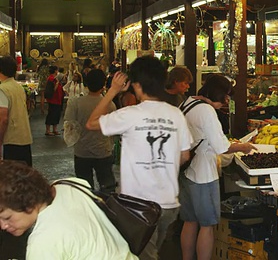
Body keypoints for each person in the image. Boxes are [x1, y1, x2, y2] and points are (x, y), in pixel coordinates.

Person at [86, 55, 193, 260]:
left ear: (136, 84)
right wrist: (162, 165)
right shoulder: (176, 114)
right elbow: (185, 155)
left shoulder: (130, 114)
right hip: (169, 204)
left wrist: (113, 91)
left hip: (138, 207)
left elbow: (92, 123)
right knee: (151, 253)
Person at [179, 75, 256, 260]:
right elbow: (221, 147)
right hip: (204, 174)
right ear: (218, 93)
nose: (227, 101)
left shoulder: (188, 103)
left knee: (189, 221)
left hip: (186, 171)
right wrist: (243, 146)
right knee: (207, 225)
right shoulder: (206, 111)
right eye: (226, 96)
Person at [0, 160, 136, 259]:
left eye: (7, 217)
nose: (3, 225)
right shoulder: (69, 185)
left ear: (28, 202)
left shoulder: (43, 242)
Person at [65, 69, 117, 192]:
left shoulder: (75, 103)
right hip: (103, 150)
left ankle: (87, 209)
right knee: (107, 187)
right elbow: (113, 129)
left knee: (85, 188)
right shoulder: (110, 105)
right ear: (103, 85)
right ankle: (107, 209)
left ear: (86, 84)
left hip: (82, 151)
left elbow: (69, 125)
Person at [0, 56, 34, 165]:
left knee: (12, 176)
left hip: (11, 139)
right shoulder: (18, 87)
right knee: (24, 174)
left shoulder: (3, 89)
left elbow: (3, 119)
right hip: (24, 136)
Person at [45, 65, 64, 136]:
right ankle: (48, 130)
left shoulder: (54, 78)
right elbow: (53, 89)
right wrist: (57, 83)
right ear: (55, 71)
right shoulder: (51, 79)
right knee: (51, 114)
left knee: (56, 114)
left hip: (57, 99)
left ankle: (54, 129)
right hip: (53, 100)